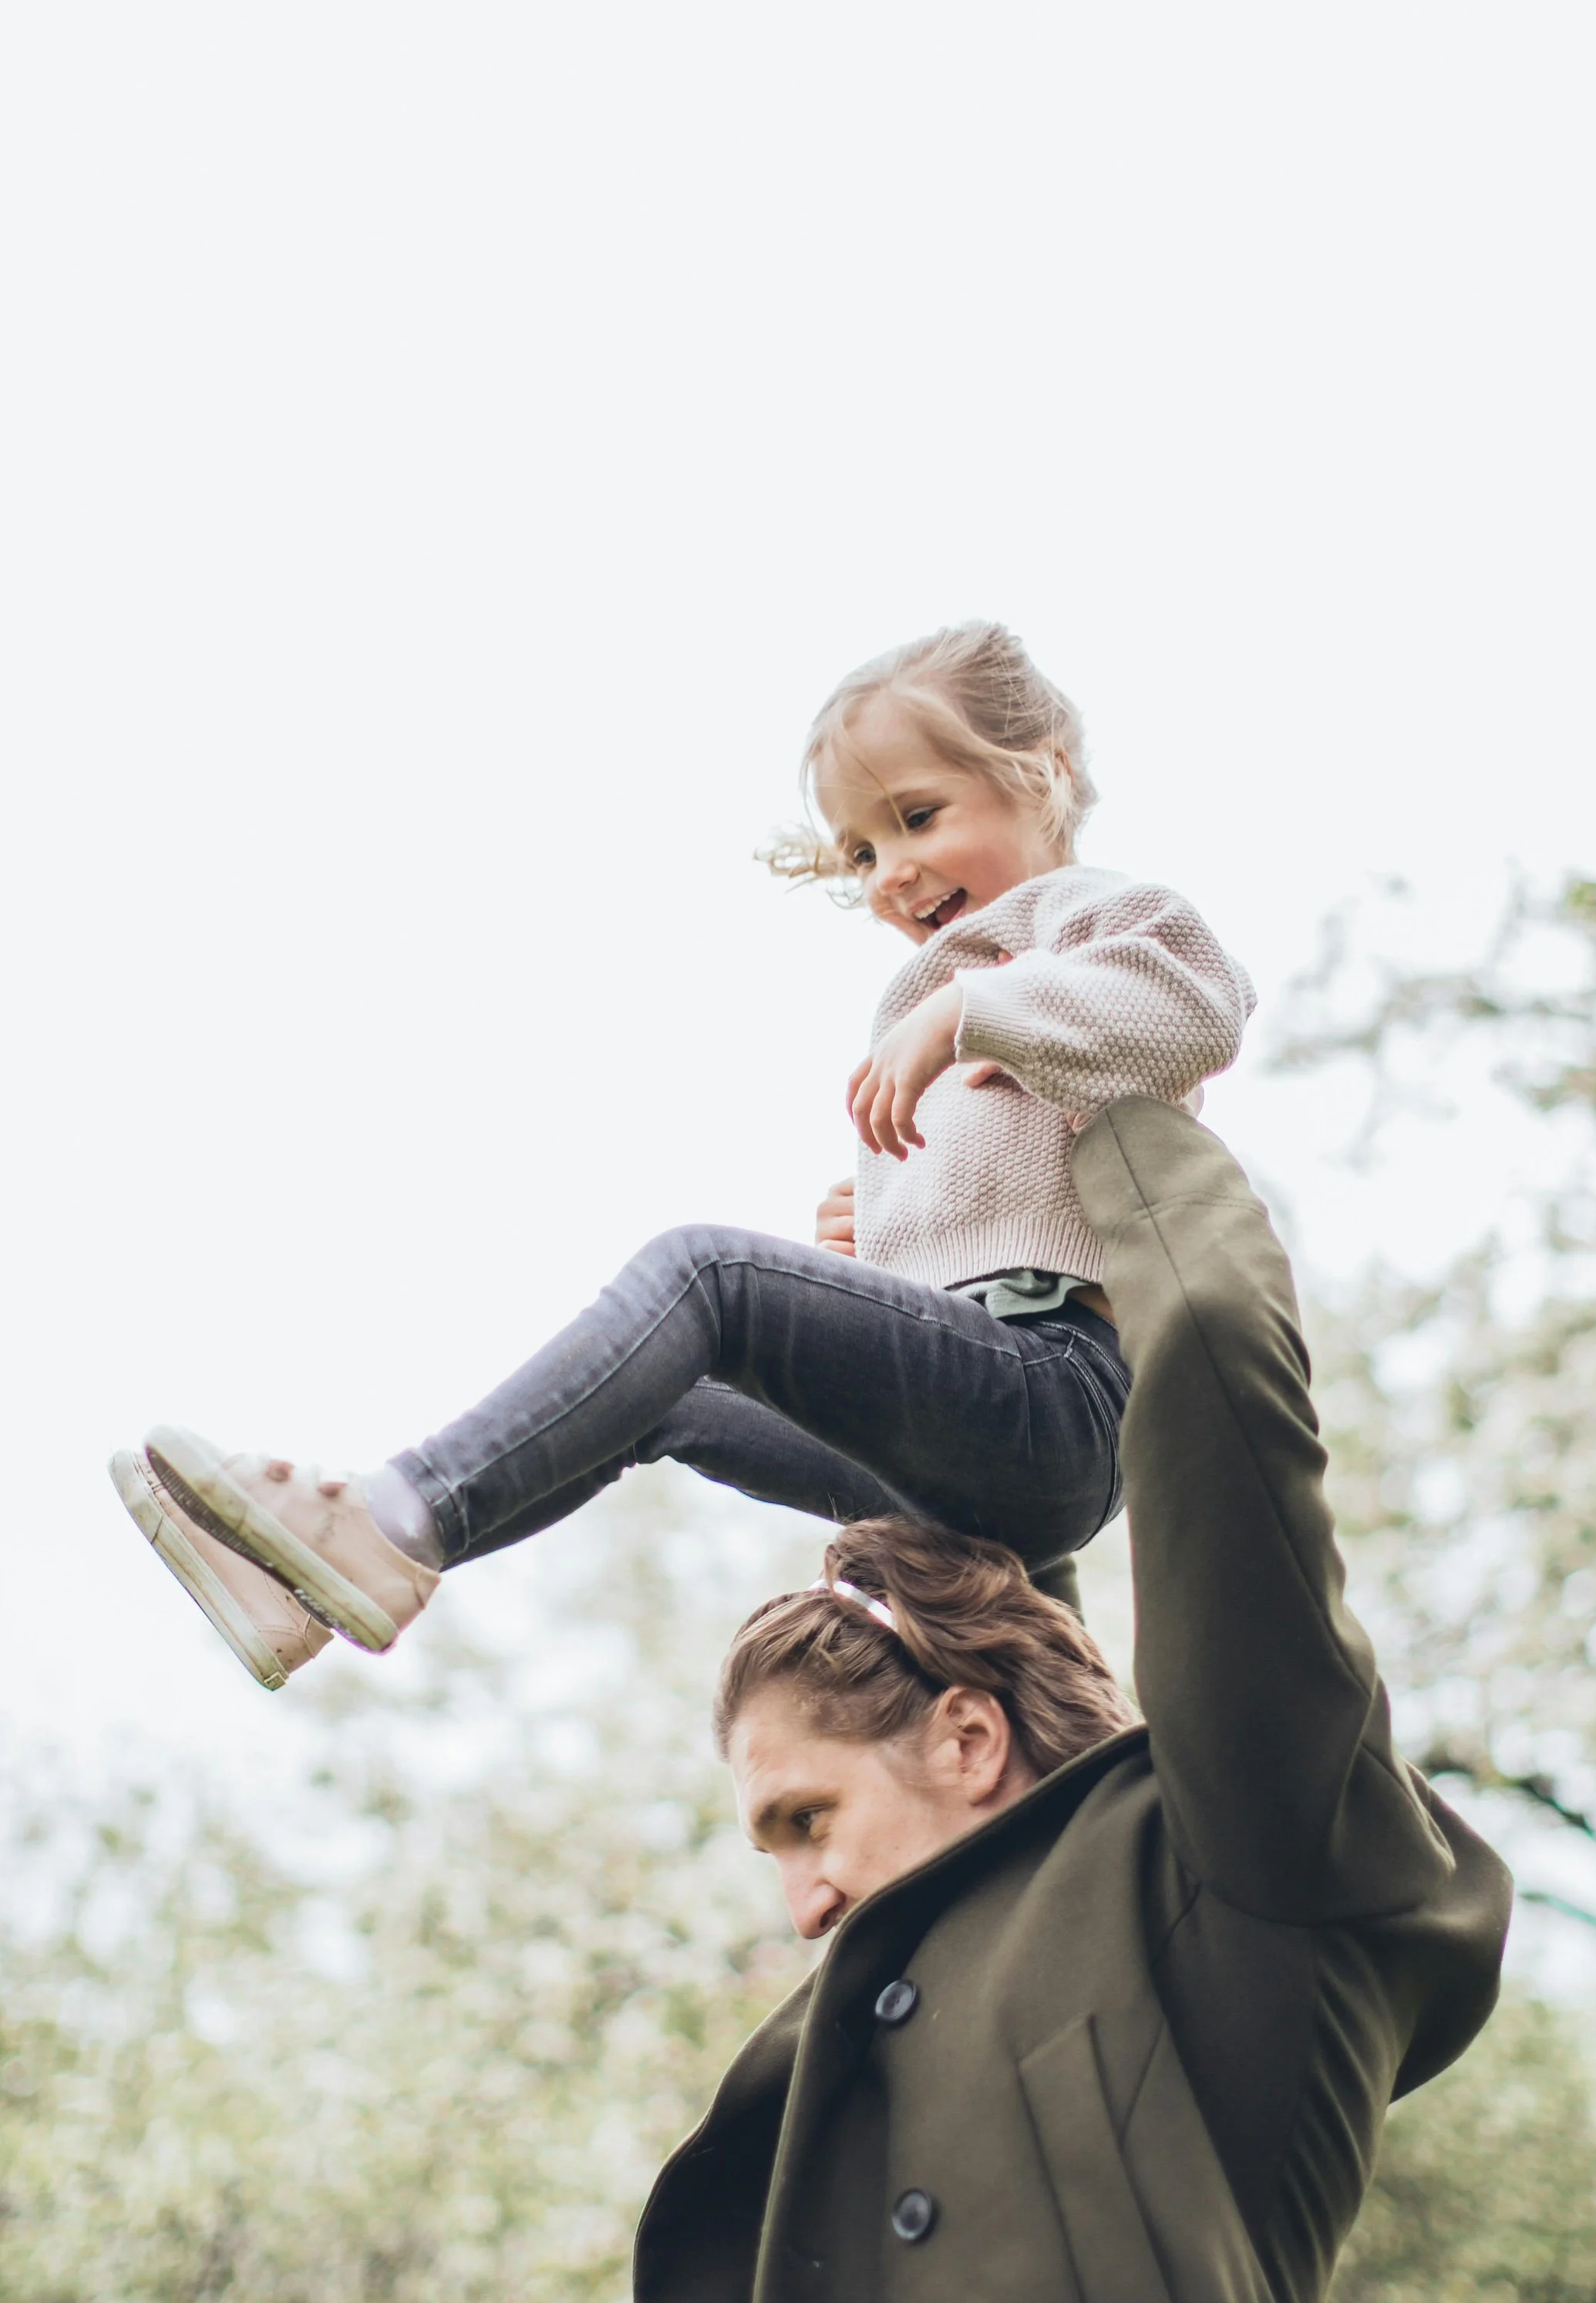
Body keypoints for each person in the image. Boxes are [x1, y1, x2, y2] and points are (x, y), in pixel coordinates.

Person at [640, 1098, 1512, 2303]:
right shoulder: (842, 2076)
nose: (799, 1904)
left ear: (969, 1744)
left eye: (807, 1820)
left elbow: (1223, 1465)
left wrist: (1098, 1110)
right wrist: (923, 1291)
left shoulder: (1232, 1898)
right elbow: (999, 1582)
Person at [109, 625, 1253, 1689]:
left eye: (917, 816)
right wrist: (893, 1266)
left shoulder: (1085, 914)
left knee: (709, 1278)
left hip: (1057, 1400)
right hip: (972, 1452)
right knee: (674, 1394)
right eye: (860, 850)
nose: (889, 872)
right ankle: (335, 1581)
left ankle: (382, 1519)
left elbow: (1199, 1002)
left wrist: (964, 1010)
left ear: (1041, 771)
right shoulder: (980, 980)